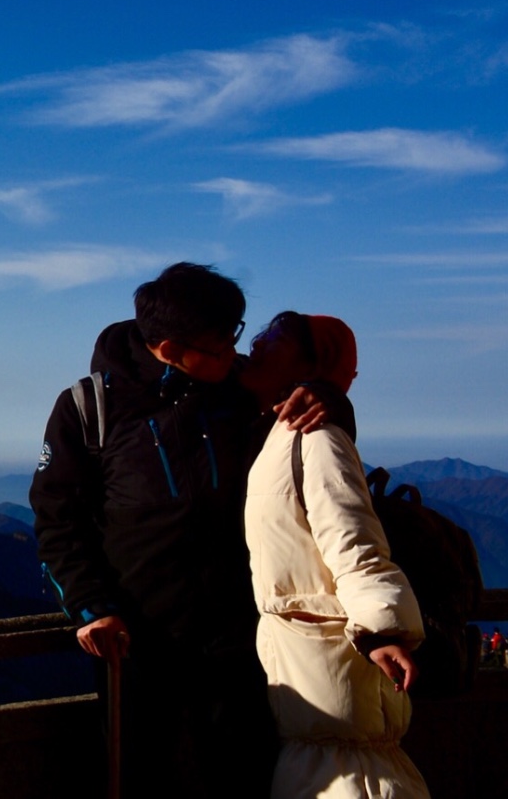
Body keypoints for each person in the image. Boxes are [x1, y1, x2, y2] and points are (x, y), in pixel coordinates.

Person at [31, 262, 348, 798]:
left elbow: (316, 434)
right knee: (137, 777)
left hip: (239, 640)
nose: (235, 353)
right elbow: (56, 517)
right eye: (220, 345)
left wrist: (328, 398)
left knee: (244, 775)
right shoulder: (89, 409)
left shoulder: (233, 390)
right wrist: (90, 607)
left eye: (236, 336)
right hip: (135, 642)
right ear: (172, 347)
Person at [243, 312, 428, 799]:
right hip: (309, 679)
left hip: (334, 680)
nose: (256, 344)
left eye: (274, 337)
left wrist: (382, 629)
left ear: (311, 364)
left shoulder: (315, 437)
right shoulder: (276, 433)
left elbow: (354, 541)